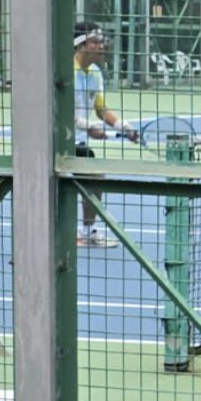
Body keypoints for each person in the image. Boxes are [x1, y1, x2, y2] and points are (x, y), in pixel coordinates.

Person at [71, 22, 139, 249]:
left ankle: (87, 232)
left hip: (77, 141)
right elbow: (58, 111)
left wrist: (123, 126)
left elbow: (100, 109)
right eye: (95, 42)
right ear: (81, 45)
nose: (101, 46)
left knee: (95, 180)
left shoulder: (95, 73)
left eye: (102, 42)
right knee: (52, 188)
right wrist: (88, 126)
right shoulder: (65, 71)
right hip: (52, 141)